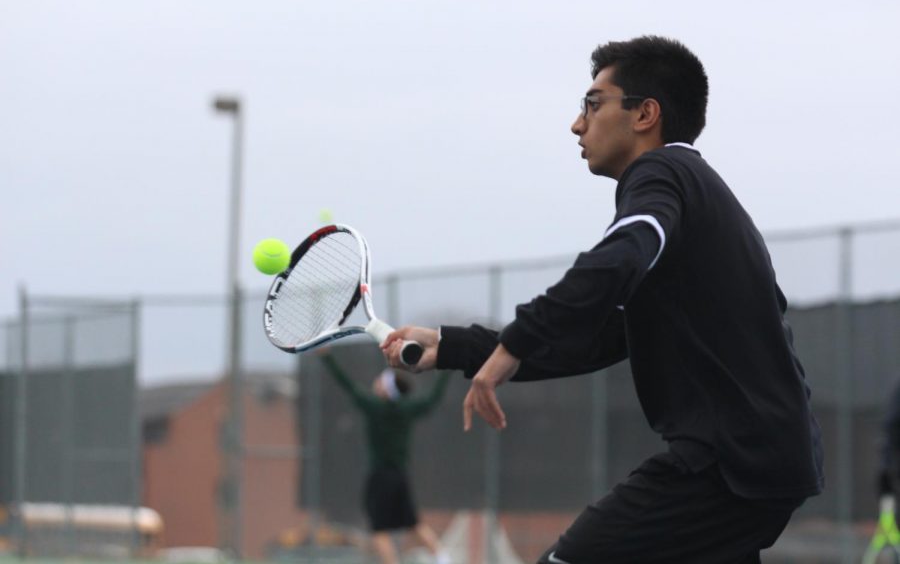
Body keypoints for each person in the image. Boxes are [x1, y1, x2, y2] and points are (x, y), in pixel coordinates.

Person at [382, 35, 824, 563]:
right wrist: (456, 347)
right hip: (759, 464)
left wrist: (519, 337)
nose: (577, 123)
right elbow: (598, 339)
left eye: (593, 104)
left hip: (725, 465)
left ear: (645, 115)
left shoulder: (663, 175)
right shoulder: (696, 199)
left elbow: (618, 257)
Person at [319, 351, 452, 564]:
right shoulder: (407, 410)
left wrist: (328, 359)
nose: (377, 382)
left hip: (380, 476)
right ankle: (443, 558)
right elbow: (432, 400)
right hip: (400, 475)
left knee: (379, 529)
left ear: (387, 391)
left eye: (382, 382)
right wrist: (446, 371)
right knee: (413, 524)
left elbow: (349, 386)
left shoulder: (375, 408)